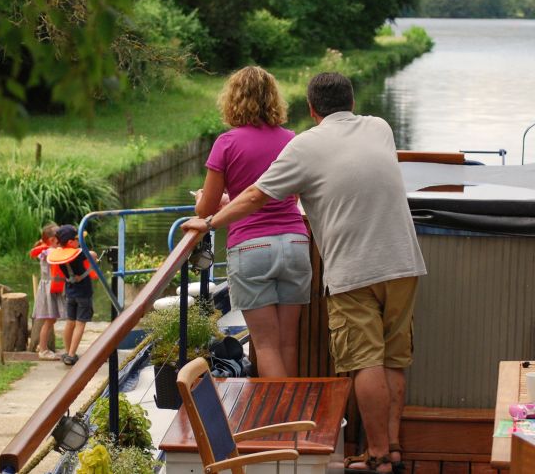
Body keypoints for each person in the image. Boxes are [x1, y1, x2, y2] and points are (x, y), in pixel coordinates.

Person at [182, 72, 426, 474]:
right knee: (394, 358)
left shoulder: (304, 145)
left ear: (313, 110)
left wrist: (209, 223)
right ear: (351, 100)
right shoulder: (380, 128)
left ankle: (377, 456)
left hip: (353, 268)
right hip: (402, 261)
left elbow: (257, 195)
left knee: (365, 361)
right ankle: (394, 448)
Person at [194, 66, 311, 378]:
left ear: (232, 100)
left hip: (251, 247)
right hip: (296, 243)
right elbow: (293, 194)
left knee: (266, 345)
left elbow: (205, 209)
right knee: (288, 345)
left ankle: (278, 423)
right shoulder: (292, 140)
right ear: (274, 99)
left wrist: (206, 204)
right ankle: (295, 419)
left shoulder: (227, 143)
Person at [47, 225, 98, 366]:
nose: (80, 241)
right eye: (77, 239)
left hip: (70, 292)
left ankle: (68, 351)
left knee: (70, 322)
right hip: (83, 293)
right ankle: (71, 354)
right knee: (80, 323)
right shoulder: (77, 253)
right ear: (70, 242)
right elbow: (92, 255)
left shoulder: (60, 255)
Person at [29, 223, 67, 361]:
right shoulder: (51, 252)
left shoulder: (47, 250)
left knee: (51, 319)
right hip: (49, 288)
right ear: (52, 240)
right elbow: (62, 257)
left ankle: (42, 345)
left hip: (49, 287)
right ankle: (43, 350)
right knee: (49, 320)